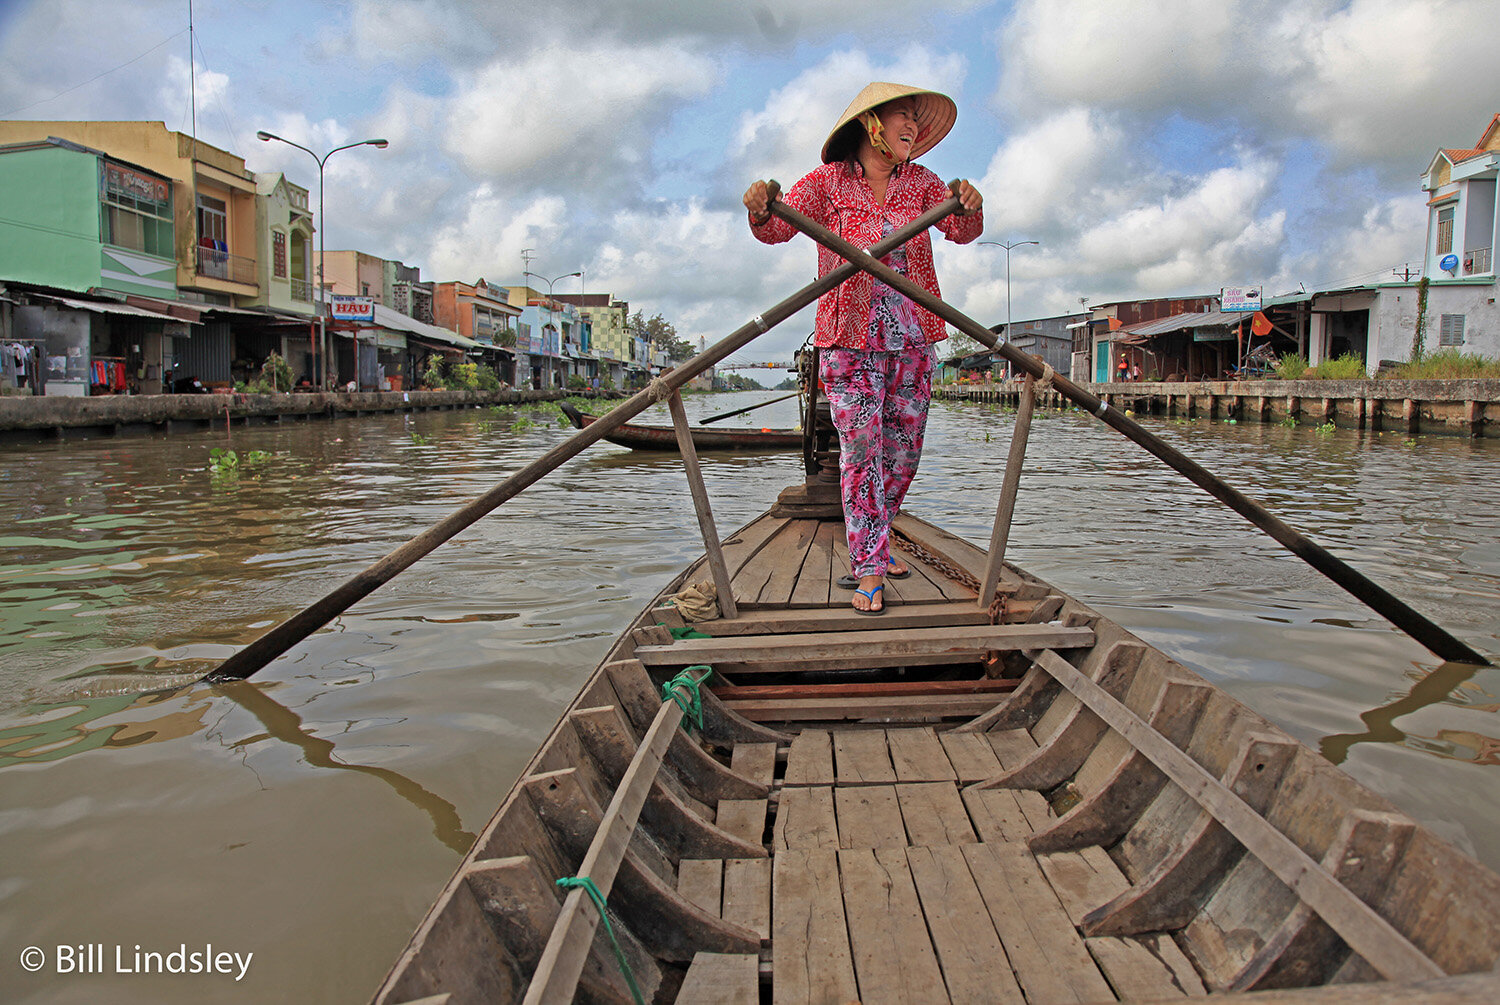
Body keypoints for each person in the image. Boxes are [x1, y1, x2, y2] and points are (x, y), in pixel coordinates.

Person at [743, 81, 983, 614]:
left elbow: (963, 230)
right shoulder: (829, 182)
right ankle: (870, 564)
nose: (912, 127)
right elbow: (775, 227)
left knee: (903, 453)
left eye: (916, 120)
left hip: (914, 340)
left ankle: (876, 533)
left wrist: (969, 202)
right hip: (848, 342)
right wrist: (761, 205)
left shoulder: (921, 183)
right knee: (860, 453)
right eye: (902, 116)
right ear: (871, 124)